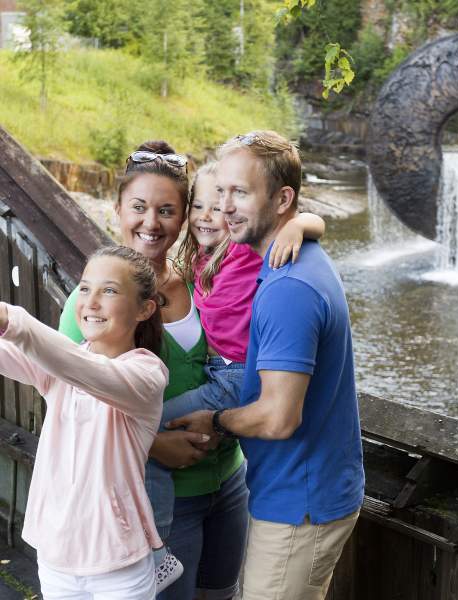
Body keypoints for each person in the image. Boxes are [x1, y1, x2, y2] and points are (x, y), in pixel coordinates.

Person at [59, 142, 325, 600]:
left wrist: (301, 221)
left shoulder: (202, 275)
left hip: (227, 483)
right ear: (118, 209)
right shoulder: (91, 304)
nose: (151, 222)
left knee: (221, 593)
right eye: (139, 207)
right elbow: (69, 412)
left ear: (185, 217)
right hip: (162, 499)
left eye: (167, 210)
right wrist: (154, 443)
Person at [167, 130, 365, 600]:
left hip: (301, 501)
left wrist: (214, 420)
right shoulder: (289, 262)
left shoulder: (287, 288)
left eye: (240, 193)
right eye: (221, 192)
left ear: (282, 199)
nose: (224, 207)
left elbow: (278, 418)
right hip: (302, 489)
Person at [149, 159, 325, 600]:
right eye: (200, 206)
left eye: (223, 207)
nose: (210, 215)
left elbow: (311, 218)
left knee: (145, 432)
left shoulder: (246, 252)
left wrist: (297, 225)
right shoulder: (198, 265)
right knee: (148, 436)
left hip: (236, 376)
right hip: (220, 371)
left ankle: (156, 553)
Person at [0, 245, 167, 599]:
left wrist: (10, 319)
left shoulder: (147, 374)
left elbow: (84, 369)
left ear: (144, 309)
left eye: (109, 290)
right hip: (56, 556)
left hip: (120, 567)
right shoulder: (64, 362)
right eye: (86, 288)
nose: (91, 302)